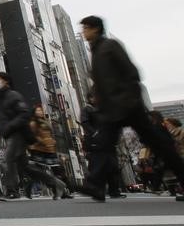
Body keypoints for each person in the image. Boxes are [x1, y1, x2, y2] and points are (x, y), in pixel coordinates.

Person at [78, 16, 184, 202]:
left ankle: (95, 185)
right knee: (102, 145)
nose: (83, 32)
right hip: (112, 109)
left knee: (158, 144)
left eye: (85, 28)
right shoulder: (95, 51)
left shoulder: (110, 46)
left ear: (95, 29)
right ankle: (95, 186)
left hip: (127, 106)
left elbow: (132, 72)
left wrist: (129, 99)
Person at [0, 72, 66, 201]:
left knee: (7, 161)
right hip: (9, 135)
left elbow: (24, 114)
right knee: (26, 168)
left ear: (6, 81)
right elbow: (3, 118)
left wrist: (9, 126)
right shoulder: (1, 99)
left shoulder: (13, 96)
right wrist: (0, 129)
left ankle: (12, 191)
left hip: (18, 134)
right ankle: (56, 184)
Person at [80, 91, 125, 199]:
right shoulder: (87, 109)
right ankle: (96, 190)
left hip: (108, 142)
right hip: (96, 143)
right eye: (94, 97)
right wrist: (94, 133)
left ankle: (114, 190)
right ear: (90, 98)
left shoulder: (104, 109)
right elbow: (85, 123)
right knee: (97, 166)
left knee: (113, 166)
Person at [26, 106, 73, 199]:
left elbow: (51, 134)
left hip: (50, 150)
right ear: (34, 112)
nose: (40, 112)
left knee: (58, 171)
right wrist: (41, 141)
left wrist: (52, 141)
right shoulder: (33, 123)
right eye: (37, 110)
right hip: (39, 150)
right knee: (38, 173)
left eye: (41, 110)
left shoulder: (46, 122)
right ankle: (28, 189)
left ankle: (63, 192)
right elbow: (32, 136)